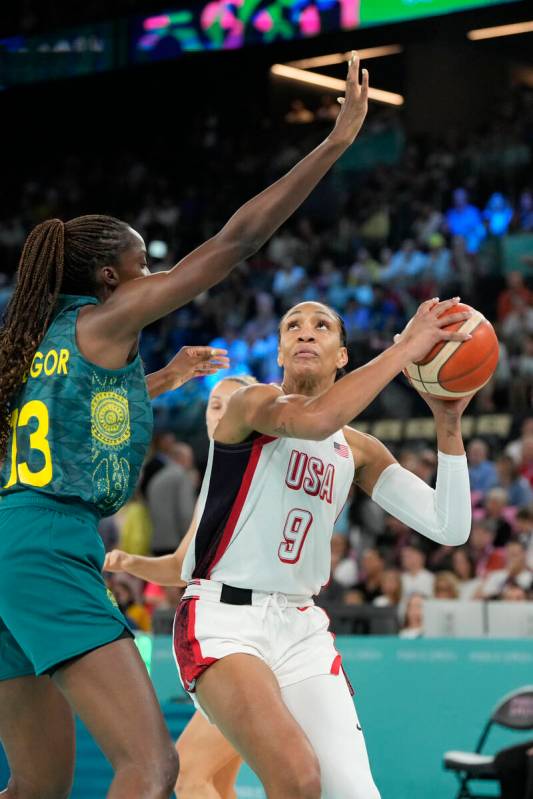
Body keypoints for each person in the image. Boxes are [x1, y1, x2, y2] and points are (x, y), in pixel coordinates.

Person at [0, 53, 370, 799]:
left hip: (8, 541)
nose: (153, 278)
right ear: (111, 279)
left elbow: (74, 411)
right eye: (145, 267)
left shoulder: (34, 338)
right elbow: (234, 244)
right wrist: (331, 144)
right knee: (152, 764)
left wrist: (164, 378)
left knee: (36, 784)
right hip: (49, 545)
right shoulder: (111, 315)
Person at [174, 296, 473, 799]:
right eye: (293, 326)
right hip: (224, 620)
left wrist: (448, 421)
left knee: (356, 794)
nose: (305, 332)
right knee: (296, 779)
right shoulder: (253, 406)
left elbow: (450, 527)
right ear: (280, 353)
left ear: (342, 356)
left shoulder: (356, 450)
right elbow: (314, 418)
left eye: (321, 326)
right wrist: (406, 350)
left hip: (300, 628)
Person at [105, 375, 257, 799]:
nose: (221, 412)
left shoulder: (257, 471)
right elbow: (182, 566)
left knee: (189, 775)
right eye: (214, 405)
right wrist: (130, 562)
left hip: (246, 644)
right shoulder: (215, 481)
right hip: (222, 645)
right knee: (218, 781)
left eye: (233, 403)